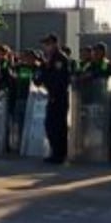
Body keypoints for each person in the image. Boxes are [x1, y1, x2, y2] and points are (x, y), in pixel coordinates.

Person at [34, 33, 70, 165]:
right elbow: (39, 77)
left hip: (59, 96)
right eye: (44, 45)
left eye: (48, 44)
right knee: (50, 125)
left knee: (58, 126)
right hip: (51, 96)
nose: (45, 47)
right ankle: (55, 152)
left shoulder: (60, 59)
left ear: (55, 44)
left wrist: (45, 75)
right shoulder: (47, 60)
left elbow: (59, 79)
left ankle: (60, 154)